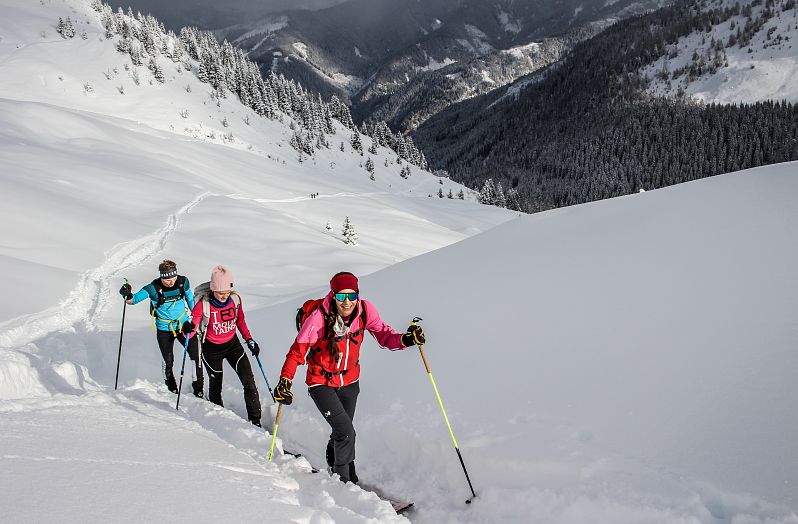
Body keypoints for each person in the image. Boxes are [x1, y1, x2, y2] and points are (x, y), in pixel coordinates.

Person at [274, 271, 425, 483]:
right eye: (341, 296)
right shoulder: (319, 318)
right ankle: (343, 481)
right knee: (346, 432)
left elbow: (385, 336)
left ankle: (339, 466)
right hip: (321, 382)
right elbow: (297, 352)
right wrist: (285, 381)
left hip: (350, 382)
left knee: (343, 430)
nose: (347, 302)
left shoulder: (365, 311)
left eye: (351, 296)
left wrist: (406, 339)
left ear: (358, 295)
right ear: (333, 295)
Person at [189, 265, 263, 427]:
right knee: (216, 384)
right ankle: (220, 417)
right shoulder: (203, 305)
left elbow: (240, 320)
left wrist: (249, 339)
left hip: (233, 345)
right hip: (211, 349)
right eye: (220, 293)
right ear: (213, 289)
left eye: (226, 292)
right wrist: (188, 329)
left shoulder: (235, 300)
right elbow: (192, 327)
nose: (223, 296)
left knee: (249, 382)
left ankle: (255, 420)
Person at [119, 260, 203, 397]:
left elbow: (190, 301)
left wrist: (193, 321)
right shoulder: (152, 288)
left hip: (183, 326)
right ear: (161, 276)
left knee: (196, 356)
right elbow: (132, 301)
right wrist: (126, 294)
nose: (170, 281)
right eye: (166, 278)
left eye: (173, 277)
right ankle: (172, 389)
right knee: (168, 360)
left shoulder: (183, 282)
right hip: (164, 329)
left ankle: (198, 389)